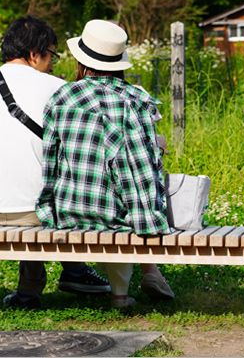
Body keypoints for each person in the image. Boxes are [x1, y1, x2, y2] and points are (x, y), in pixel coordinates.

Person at [0, 16, 111, 309]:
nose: (54, 64)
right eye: (52, 54)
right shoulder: (58, 88)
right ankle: (75, 271)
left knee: (32, 190)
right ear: (34, 54)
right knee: (52, 191)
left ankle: (33, 289)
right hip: (38, 212)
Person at [36, 19, 175, 308]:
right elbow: (141, 165)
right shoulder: (135, 98)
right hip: (115, 217)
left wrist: (49, 207)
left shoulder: (61, 96)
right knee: (121, 201)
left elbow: (50, 159)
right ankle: (121, 295)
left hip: (68, 211)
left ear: (82, 61)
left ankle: (126, 291)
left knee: (105, 187)